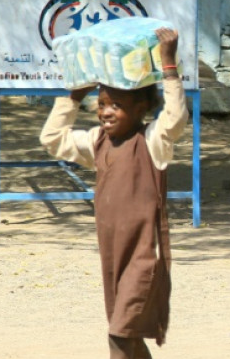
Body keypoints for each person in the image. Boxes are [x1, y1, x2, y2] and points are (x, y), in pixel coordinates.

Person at [40, 27, 188, 359]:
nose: (106, 112)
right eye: (102, 104)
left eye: (116, 106)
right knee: (130, 338)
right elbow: (52, 139)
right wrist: (74, 97)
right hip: (113, 256)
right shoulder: (97, 142)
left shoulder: (152, 142)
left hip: (143, 257)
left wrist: (168, 65)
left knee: (119, 336)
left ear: (140, 110)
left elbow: (176, 117)